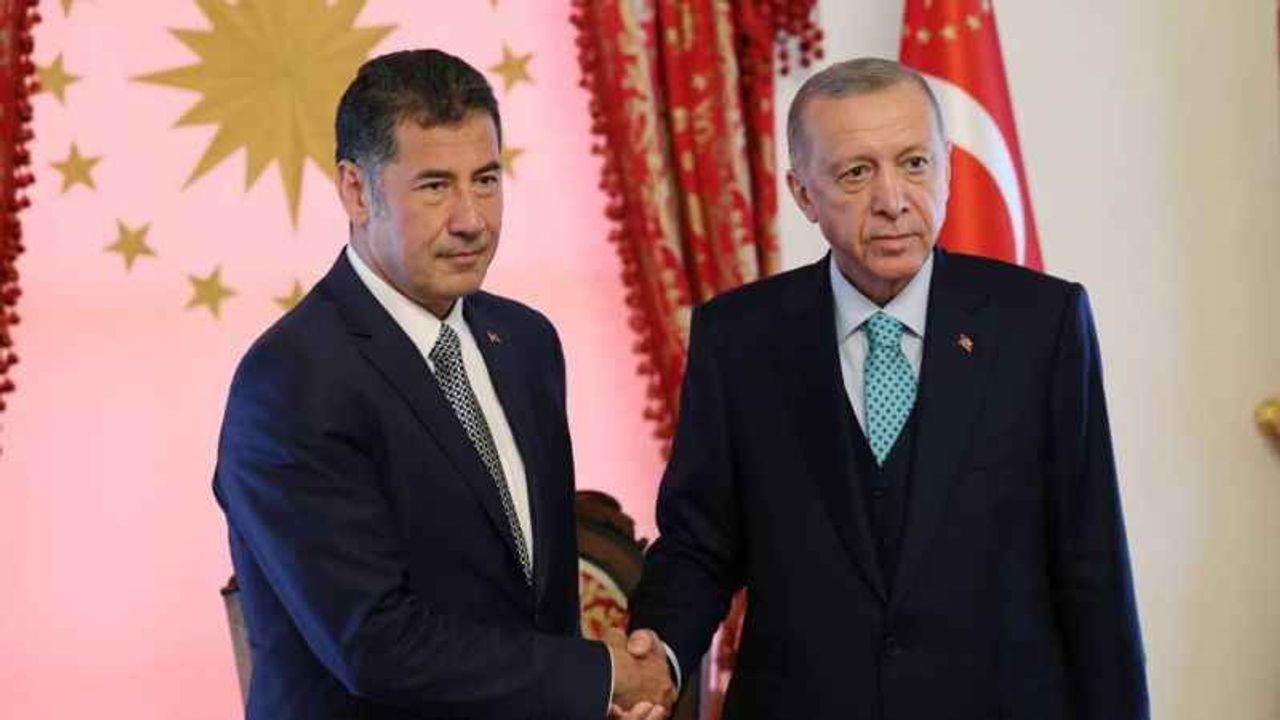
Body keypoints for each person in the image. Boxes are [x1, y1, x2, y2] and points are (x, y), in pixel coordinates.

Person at [622, 57, 1149, 719]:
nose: (893, 200)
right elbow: (700, 543)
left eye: (915, 164)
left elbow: (1091, 565)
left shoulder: (1041, 325)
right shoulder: (739, 338)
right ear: (803, 193)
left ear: (948, 170)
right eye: (856, 173)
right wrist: (660, 655)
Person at [213, 49, 672, 720]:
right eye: (434, 186)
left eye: (486, 180)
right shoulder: (290, 381)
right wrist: (599, 676)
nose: (471, 219)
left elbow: (537, 605)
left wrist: (592, 692)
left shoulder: (526, 342)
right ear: (355, 190)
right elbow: (375, 644)